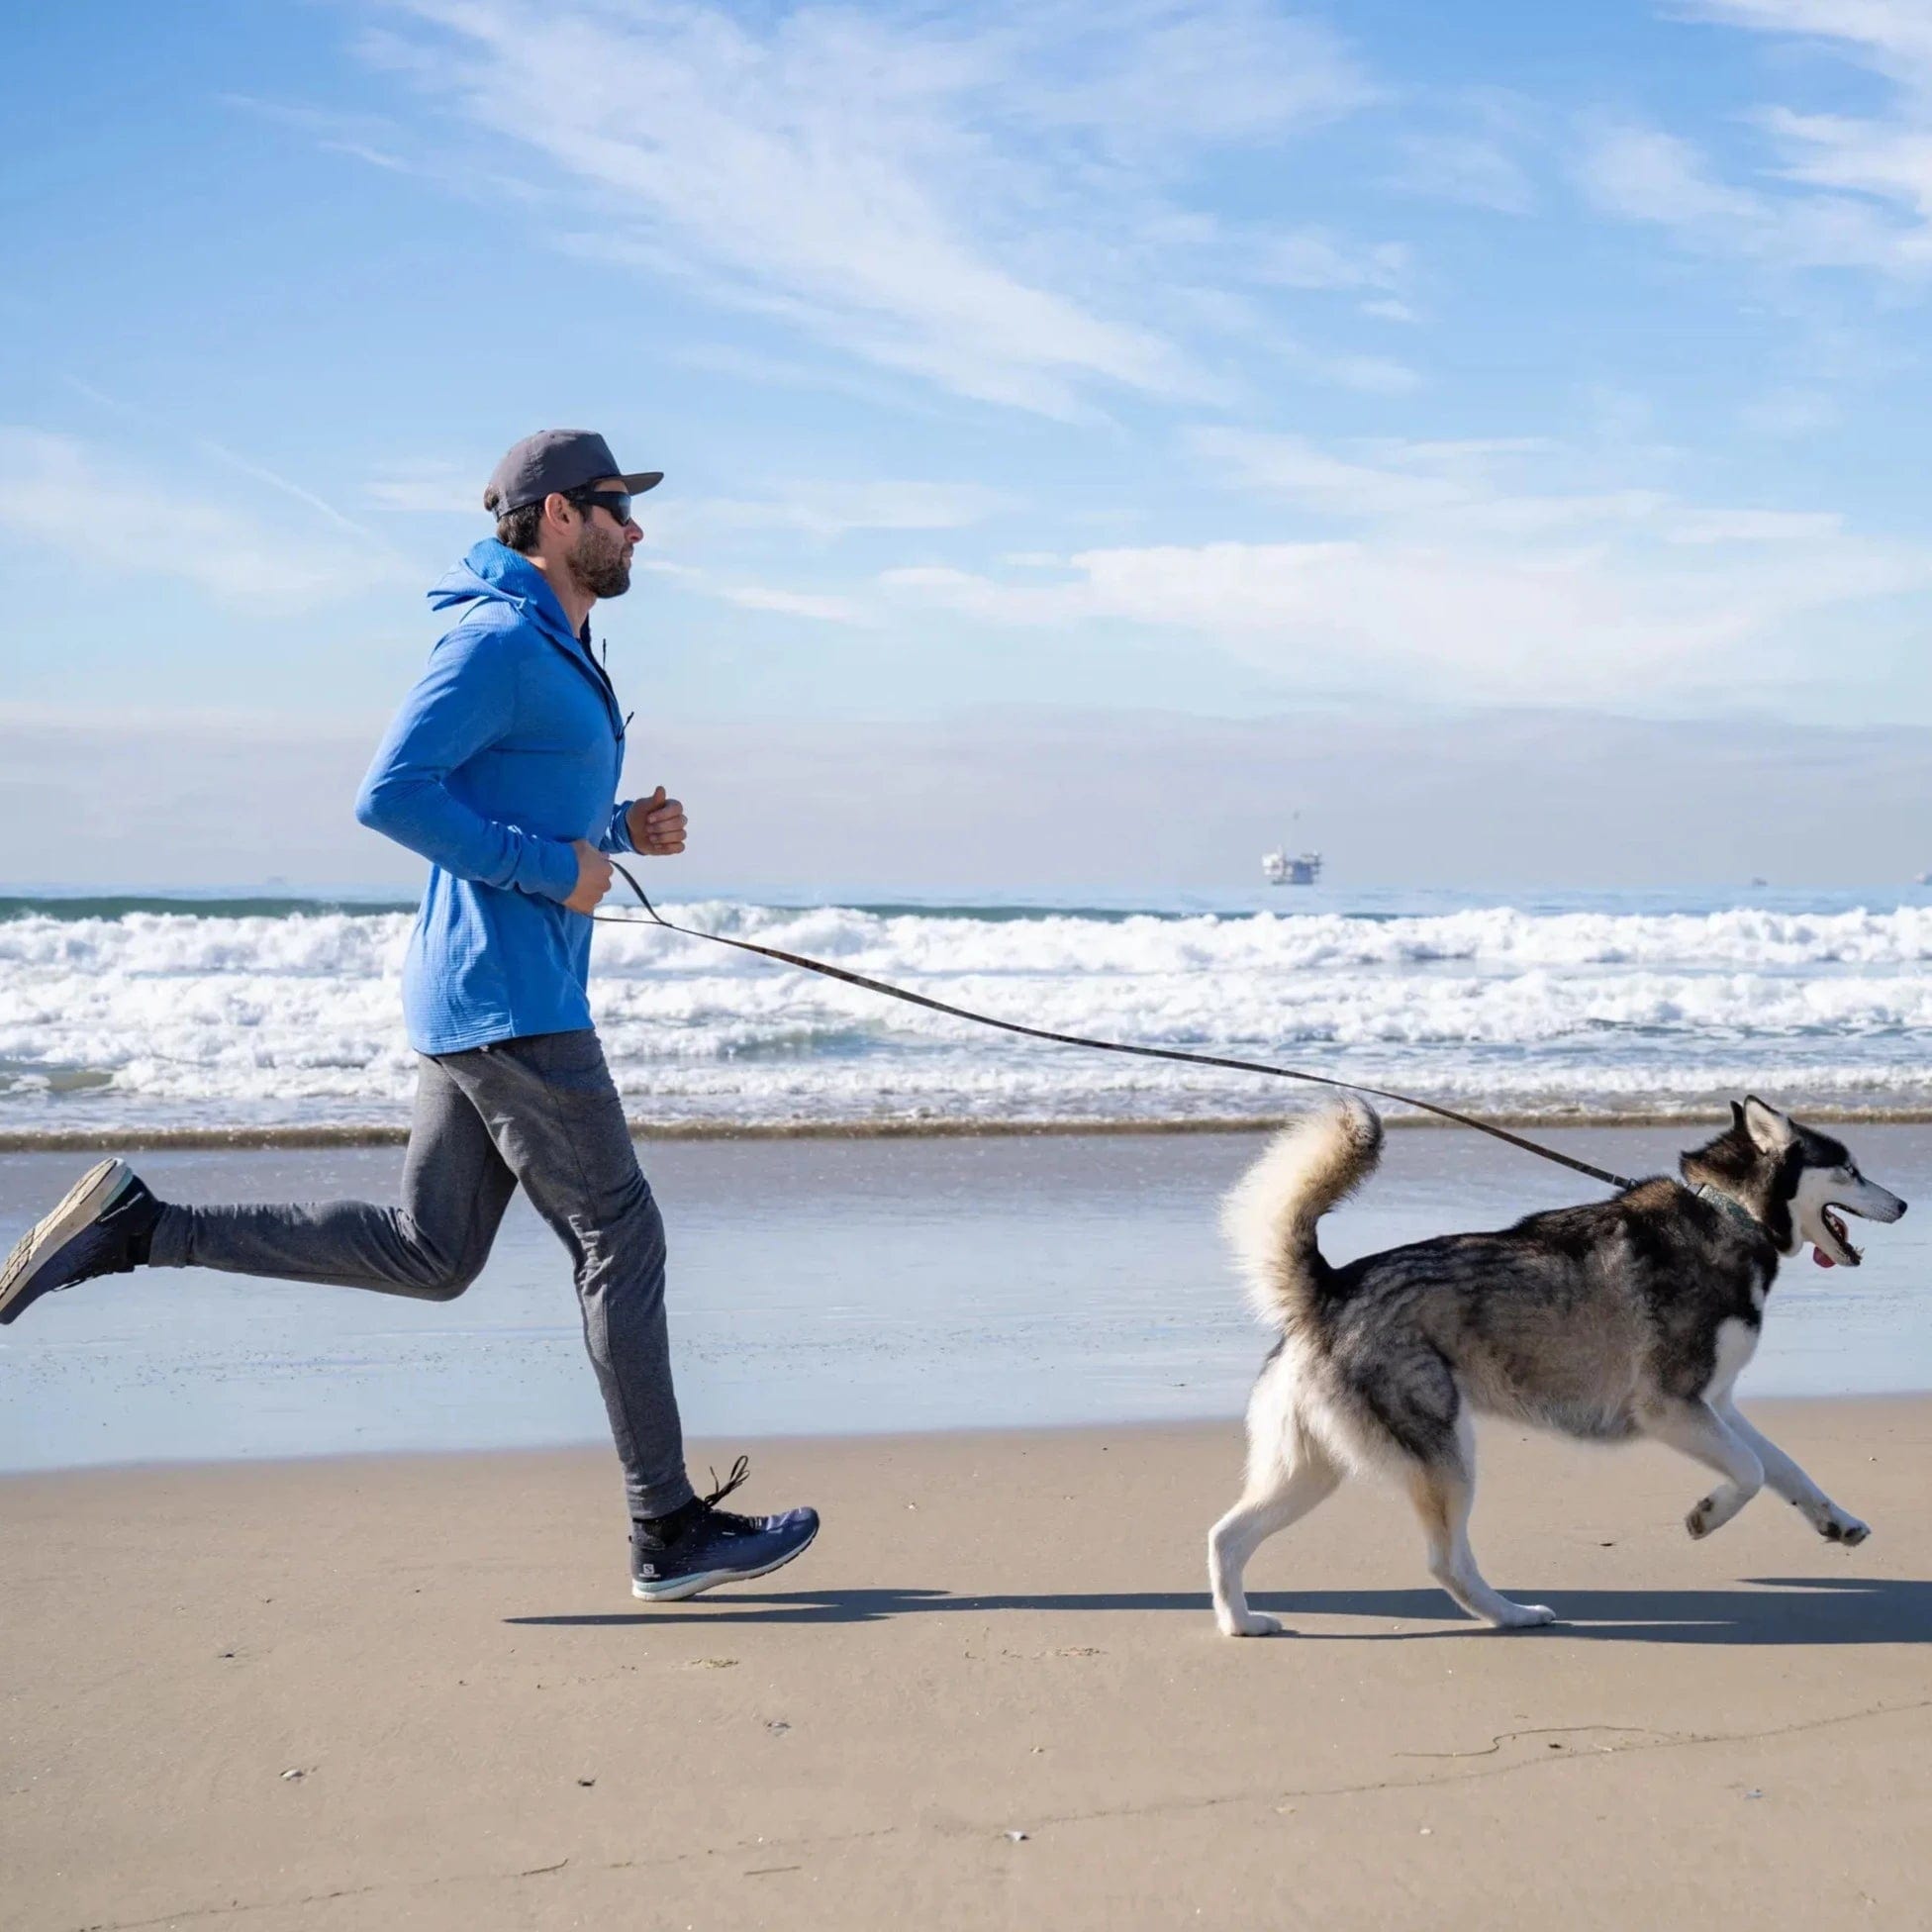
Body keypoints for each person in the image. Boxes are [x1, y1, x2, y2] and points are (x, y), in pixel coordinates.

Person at [0, 429, 819, 1602]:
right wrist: (553, 868)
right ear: (549, 516)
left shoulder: (557, 638)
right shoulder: (495, 638)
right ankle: (667, 1528)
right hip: (510, 999)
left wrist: (621, 832)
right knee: (619, 1236)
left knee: (430, 1254)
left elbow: (512, 794)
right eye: (612, 506)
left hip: (485, 992)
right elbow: (388, 793)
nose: (635, 528)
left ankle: (139, 1224)